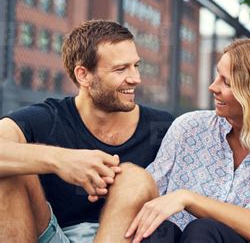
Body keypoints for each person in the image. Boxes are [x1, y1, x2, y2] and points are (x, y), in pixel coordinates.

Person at [125, 38, 250, 243]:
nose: (213, 87)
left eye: (227, 82)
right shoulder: (188, 127)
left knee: (205, 230)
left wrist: (187, 198)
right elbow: (148, 195)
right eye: (218, 76)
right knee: (158, 229)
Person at [0, 20, 175, 242]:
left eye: (136, 66)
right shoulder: (46, 118)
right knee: (8, 170)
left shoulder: (162, 127)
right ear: (83, 75)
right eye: (121, 69)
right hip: (53, 233)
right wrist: (60, 160)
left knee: (135, 178)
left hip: (124, 235)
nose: (136, 79)